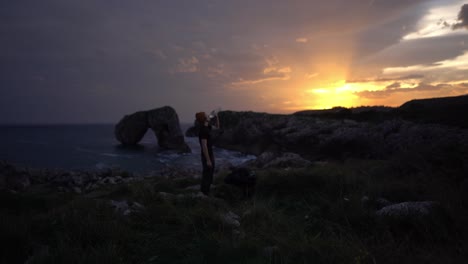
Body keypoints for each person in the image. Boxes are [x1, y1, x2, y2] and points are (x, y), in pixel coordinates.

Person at [195, 111, 220, 196]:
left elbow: (217, 128)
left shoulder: (207, 127)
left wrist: (216, 117)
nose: (208, 116)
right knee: (207, 175)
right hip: (207, 155)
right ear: (204, 118)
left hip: (210, 154)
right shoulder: (203, 130)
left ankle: (206, 192)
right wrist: (208, 160)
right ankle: (203, 193)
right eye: (206, 115)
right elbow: (204, 146)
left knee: (210, 174)